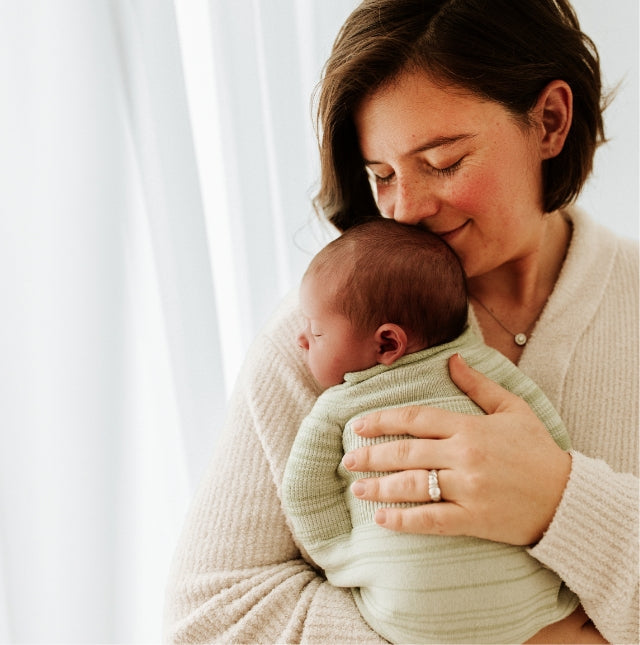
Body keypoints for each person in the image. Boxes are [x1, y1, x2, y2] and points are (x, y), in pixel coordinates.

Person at [164, 1, 638, 643]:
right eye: (379, 175)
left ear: (549, 122)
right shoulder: (326, 337)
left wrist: (562, 501)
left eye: (443, 162)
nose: (404, 210)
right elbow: (207, 620)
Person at [282, 218, 582, 644]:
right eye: (381, 173)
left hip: (400, 616)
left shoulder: (339, 404)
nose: (300, 339)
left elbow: (305, 491)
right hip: (532, 610)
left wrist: (342, 552)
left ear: (387, 344)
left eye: (314, 332)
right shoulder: (487, 368)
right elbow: (549, 441)